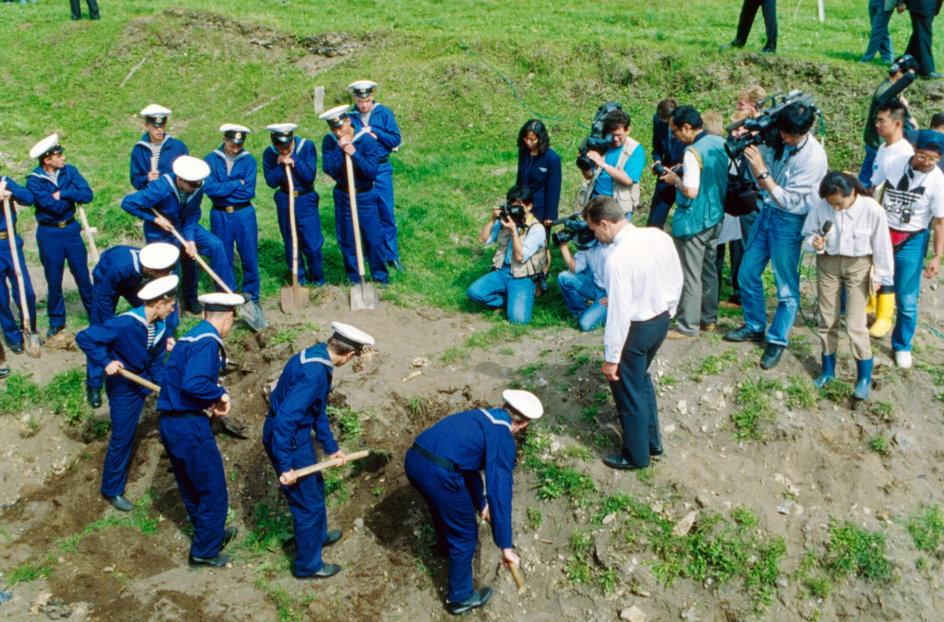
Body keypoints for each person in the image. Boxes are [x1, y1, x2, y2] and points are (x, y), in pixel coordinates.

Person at [405, 389, 543, 616]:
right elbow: (500, 494)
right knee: (465, 534)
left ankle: (445, 548)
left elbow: (467, 466)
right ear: (524, 424)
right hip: (439, 474)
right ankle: (460, 597)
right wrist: (505, 546)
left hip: (415, 461)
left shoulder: (479, 417)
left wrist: (480, 503)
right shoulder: (502, 438)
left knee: (442, 506)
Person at [263, 322, 375, 580]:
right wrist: (285, 466)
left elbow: (317, 411)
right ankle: (308, 565)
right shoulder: (315, 374)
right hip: (290, 440)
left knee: (315, 489)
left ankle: (318, 537)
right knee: (308, 505)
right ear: (349, 354)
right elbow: (285, 421)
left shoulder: (314, 354)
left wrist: (332, 449)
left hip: (291, 435)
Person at [724, 101, 828, 370]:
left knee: (786, 288)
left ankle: (777, 339)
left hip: (790, 221)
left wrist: (761, 168)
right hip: (767, 212)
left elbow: (788, 200)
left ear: (804, 132)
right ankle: (755, 324)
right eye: (782, 132)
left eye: (790, 135)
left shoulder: (813, 158)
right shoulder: (777, 137)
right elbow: (767, 185)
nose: (784, 138)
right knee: (746, 272)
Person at [583, 195, 682, 470]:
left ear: (605, 224)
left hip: (635, 329)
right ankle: (652, 442)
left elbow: (618, 314)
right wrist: (669, 310)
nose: (595, 236)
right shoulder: (657, 236)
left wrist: (611, 357)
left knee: (627, 390)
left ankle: (636, 455)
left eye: (594, 230)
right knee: (640, 380)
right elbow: (677, 276)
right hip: (660, 320)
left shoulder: (616, 260)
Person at [76, 275, 177, 511]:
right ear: (159, 304)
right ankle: (112, 489)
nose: (173, 310)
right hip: (123, 388)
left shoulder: (160, 325)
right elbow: (84, 337)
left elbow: (155, 361)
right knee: (123, 437)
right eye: (171, 305)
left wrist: (165, 387)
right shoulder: (123, 324)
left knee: (172, 408)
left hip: (145, 378)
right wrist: (106, 361)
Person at [157, 291, 243, 568]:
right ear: (228, 317)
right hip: (188, 425)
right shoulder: (207, 343)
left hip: (172, 422)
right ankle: (205, 551)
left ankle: (210, 534)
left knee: (191, 485)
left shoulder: (190, 336)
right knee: (212, 488)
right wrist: (221, 393)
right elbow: (194, 384)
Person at [802, 173, 893, 400]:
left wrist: (881, 275)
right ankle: (828, 371)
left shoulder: (872, 210)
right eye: (831, 204)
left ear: (852, 193)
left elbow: (882, 246)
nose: (835, 208)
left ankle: (863, 378)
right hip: (829, 264)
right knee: (827, 320)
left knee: (855, 324)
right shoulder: (821, 206)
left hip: (859, 266)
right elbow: (808, 233)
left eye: (839, 203)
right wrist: (814, 242)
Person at [121, 155, 237, 314]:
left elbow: (193, 213)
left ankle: (223, 295)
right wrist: (154, 219)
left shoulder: (197, 186)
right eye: (192, 185)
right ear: (180, 180)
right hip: (161, 232)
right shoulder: (160, 188)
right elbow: (127, 203)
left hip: (184, 226)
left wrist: (190, 240)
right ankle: (171, 311)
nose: (195, 189)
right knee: (170, 268)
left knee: (212, 246)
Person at [870, 129, 944, 368]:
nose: (927, 163)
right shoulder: (893, 163)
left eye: (933, 159)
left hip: (912, 238)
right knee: (864, 277)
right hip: (882, 231)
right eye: (922, 157)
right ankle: (851, 316)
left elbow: (940, 222)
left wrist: (937, 255)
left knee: (907, 297)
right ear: (914, 149)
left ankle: (902, 345)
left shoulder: (938, 181)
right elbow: (872, 191)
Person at [658, 106, 728, 339]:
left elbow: (690, 191)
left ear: (687, 127)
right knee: (709, 269)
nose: (674, 136)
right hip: (715, 216)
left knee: (689, 274)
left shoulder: (692, 152)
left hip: (693, 221)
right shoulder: (719, 143)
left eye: (676, 131)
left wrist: (675, 179)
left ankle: (688, 326)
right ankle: (708, 319)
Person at [85, 242, 179, 408]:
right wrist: (111, 329)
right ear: (151, 270)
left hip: (137, 282)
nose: (167, 276)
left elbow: (164, 303)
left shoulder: (156, 266)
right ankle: (94, 383)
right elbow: (105, 299)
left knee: (153, 311)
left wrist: (168, 333)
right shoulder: (120, 268)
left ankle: (146, 360)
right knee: (99, 332)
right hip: (106, 279)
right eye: (165, 273)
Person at [26, 134, 94, 338]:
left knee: (83, 275)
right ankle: (57, 321)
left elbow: (87, 194)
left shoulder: (69, 171)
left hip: (71, 231)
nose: (63, 157)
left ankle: (96, 315)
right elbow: (51, 207)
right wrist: (71, 193)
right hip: (50, 234)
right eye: (59, 154)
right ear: (47, 160)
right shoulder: (34, 181)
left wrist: (64, 193)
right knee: (54, 279)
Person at [320, 105, 389, 285]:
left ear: (348, 121)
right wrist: (339, 150)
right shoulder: (330, 142)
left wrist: (354, 153)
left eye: (340, 127)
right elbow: (330, 169)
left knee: (373, 238)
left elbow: (371, 172)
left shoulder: (366, 141)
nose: (337, 132)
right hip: (343, 194)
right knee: (347, 239)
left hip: (365, 195)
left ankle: (380, 277)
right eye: (333, 128)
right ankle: (355, 279)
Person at [466, 185, 547, 324]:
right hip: (502, 271)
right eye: (512, 205)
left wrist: (514, 231)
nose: (514, 210)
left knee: (518, 320)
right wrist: (493, 220)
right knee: (474, 292)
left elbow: (521, 256)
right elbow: (483, 239)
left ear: (529, 206)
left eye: (518, 206)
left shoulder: (537, 228)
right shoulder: (505, 221)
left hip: (523, 276)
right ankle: (505, 300)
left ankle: (526, 294)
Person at [348, 80, 404, 272]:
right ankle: (367, 253)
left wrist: (375, 132)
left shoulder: (383, 113)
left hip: (381, 168)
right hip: (360, 170)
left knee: (386, 212)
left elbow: (395, 139)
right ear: (354, 99)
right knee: (363, 213)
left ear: (372, 97)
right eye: (359, 100)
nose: (363, 105)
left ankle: (391, 256)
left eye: (367, 100)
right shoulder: (349, 117)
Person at [203, 124, 260, 304]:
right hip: (220, 214)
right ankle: (226, 293)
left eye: (239, 146)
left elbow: (248, 191)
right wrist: (236, 184)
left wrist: (223, 190)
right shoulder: (211, 159)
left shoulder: (248, 160)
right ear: (224, 140)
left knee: (249, 253)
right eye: (232, 145)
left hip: (243, 212)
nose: (235, 149)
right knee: (222, 255)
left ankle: (252, 295)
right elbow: (209, 188)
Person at [263, 123, 324, 286]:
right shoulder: (269, 153)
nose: (284, 150)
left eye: (287, 146)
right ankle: (299, 279)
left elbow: (309, 176)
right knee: (291, 241)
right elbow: (270, 182)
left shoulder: (306, 146)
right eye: (280, 146)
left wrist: (294, 159)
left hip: (305, 198)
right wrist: (280, 165)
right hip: (285, 199)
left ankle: (317, 279)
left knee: (312, 244)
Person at [859, 55, 918, 185]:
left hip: (879, 140)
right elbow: (882, 116)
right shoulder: (885, 92)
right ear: (899, 72)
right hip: (878, 140)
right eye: (908, 77)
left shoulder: (892, 88)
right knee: (868, 178)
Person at [0, 173, 36, 360]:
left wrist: (10, 191)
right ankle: (12, 335)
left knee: (26, 290)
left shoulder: (4, 180)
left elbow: (28, 198)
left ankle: (29, 327)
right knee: (1, 297)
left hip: (10, 242)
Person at [584, 108, 645, 216]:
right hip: (596, 200)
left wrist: (603, 165)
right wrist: (585, 166)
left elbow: (628, 179)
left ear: (628, 130)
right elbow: (589, 176)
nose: (615, 139)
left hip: (618, 206)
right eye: (612, 135)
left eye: (619, 135)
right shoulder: (602, 144)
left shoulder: (636, 150)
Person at [556, 233, 612, 332]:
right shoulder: (590, 244)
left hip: (612, 292)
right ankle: (579, 313)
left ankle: (609, 314)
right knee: (564, 278)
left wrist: (615, 297)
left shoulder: (615, 245)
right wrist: (563, 245)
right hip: (596, 286)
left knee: (585, 325)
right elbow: (575, 268)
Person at [130, 105, 189, 190]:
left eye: (162, 126)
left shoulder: (178, 147)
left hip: (173, 198)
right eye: (155, 126)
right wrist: (147, 178)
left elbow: (187, 174)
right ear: (146, 125)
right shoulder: (139, 150)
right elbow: (135, 179)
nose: (159, 130)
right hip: (150, 198)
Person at [647, 98, 685, 229]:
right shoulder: (657, 121)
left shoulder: (687, 124)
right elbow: (656, 145)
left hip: (685, 173)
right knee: (654, 222)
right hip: (666, 172)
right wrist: (657, 161)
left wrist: (682, 167)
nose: (668, 126)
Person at [516, 119, 562, 225]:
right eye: (526, 138)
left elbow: (554, 189)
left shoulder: (552, 158)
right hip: (523, 203)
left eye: (532, 139)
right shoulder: (523, 152)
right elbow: (519, 178)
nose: (528, 142)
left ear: (540, 139)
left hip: (540, 207)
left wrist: (550, 215)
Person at [871, 100, 915, 192]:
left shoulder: (904, 152)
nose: (877, 125)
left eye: (881, 121)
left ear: (897, 124)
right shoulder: (883, 147)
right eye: (877, 120)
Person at [904, 0, 943, 79]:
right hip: (921, 6)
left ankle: (906, 63)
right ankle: (926, 71)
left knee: (919, 34)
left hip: (928, 6)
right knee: (923, 35)